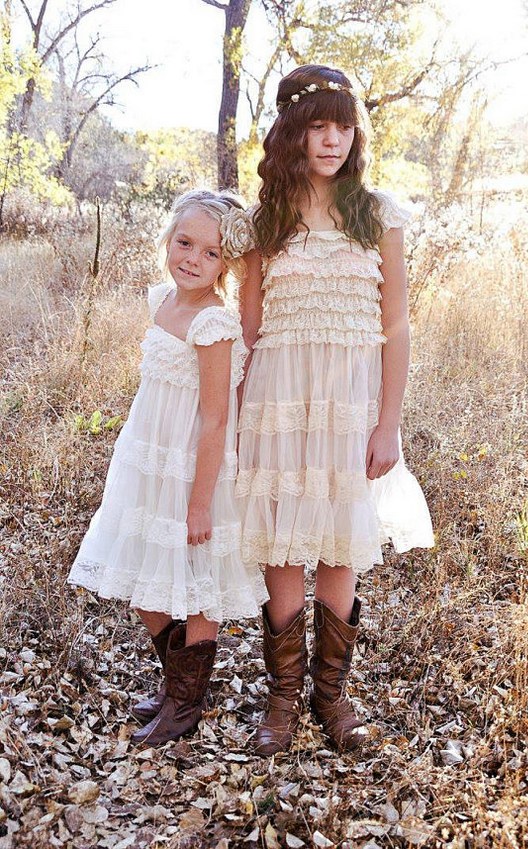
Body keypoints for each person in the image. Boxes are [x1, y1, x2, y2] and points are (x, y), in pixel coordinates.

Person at [236, 65, 434, 756]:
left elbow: (398, 326)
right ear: (293, 131)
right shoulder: (266, 220)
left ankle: (332, 694)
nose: (332, 139)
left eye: (343, 125)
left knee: (343, 536)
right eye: (317, 125)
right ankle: (283, 698)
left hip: (352, 398)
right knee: (285, 538)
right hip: (280, 398)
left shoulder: (377, 214)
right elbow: (250, 327)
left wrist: (389, 421)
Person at [68, 189, 268, 746]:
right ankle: (182, 681)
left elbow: (212, 419)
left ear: (226, 263)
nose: (192, 260)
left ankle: (184, 704)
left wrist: (201, 500)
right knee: (145, 589)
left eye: (210, 253)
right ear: (167, 240)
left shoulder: (213, 324)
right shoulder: (161, 301)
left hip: (194, 471)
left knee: (199, 583)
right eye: (185, 243)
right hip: (148, 461)